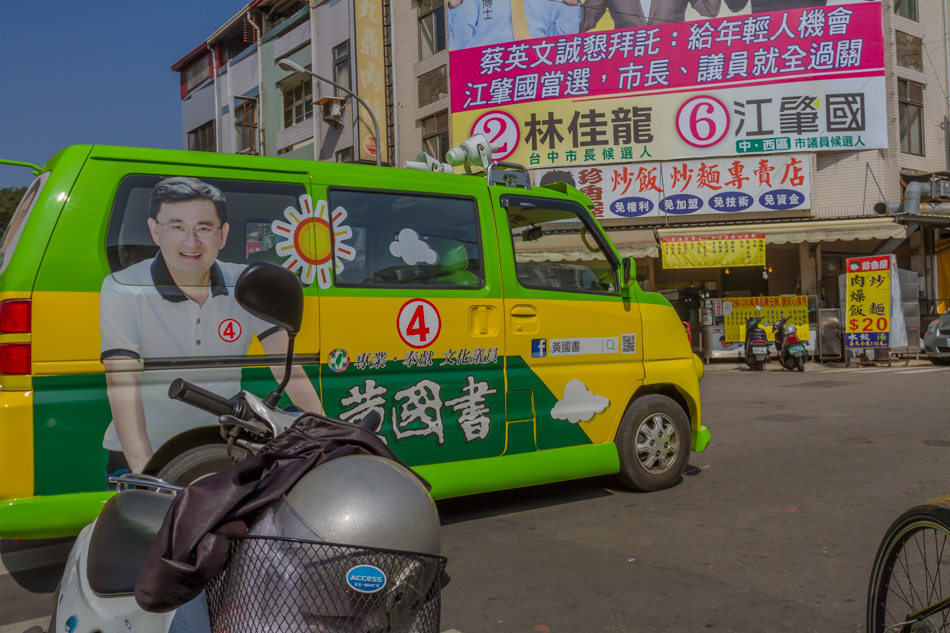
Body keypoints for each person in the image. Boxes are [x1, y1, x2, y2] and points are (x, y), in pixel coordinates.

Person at [100, 177, 322, 474]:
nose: (191, 242)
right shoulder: (123, 286)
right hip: (147, 455)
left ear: (223, 234)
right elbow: (121, 383)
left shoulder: (244, 283)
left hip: (223, 449)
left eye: (204, 228)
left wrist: (326, 436)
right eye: (177, 227)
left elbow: (289, 371)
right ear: (155, 230)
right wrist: (147, 471)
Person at [448, 0, 581, 50]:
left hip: (538, 75)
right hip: (490, 76)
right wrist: (455, 5)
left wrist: (570, 5)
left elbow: (563, 41)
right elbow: (459, 43)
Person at [579, 0, 746, 31]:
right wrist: (570, 3)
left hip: (671, 63)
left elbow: (709, 10)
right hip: (628, 71)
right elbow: (585, 22)